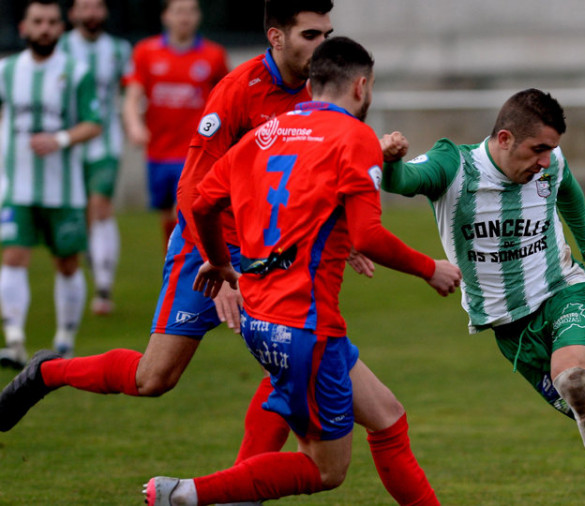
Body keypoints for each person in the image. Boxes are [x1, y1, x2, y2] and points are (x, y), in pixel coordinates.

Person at [0, 2, 443, 505]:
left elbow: (308, 182)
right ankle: (46, 372)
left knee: (293, 357)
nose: (322, 46)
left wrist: (346, 213)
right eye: (310, 34)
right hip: (207, 248)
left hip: (269, 255)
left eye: (328, 33)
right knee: (155, 377)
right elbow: (194, 192)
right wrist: (226, 270)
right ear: (276, 37)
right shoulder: (239, 90)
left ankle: (238, 488)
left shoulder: (322, 93)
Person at [142, 35, 461, 506]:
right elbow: (368, 236)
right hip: (305, 325)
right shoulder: (354, 137)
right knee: (324, 468)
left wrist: (221, 260)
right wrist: (428, 267)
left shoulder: (264, 135)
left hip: (264, 314)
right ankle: (185, 494)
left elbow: (203, 201)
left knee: (388, 416)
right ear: (362, 85)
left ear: (309, 86)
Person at [379, 89, 585, 505]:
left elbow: (568, 191)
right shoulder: (454, 166)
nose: (546, 160)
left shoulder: (550, 164)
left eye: (551, 150)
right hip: (512, 331)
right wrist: (391, 160)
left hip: (566, 294)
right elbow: (403, 182)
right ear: (504, 139)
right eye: (537, 149)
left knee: (572, 377)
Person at [0, 0, 102, 368]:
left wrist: (59, 139)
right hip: (16, 186)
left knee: (67, 264)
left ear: (61, 28)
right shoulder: (6, 70)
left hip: (65, 189)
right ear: (24, 28)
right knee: (13, 256)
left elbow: (94, 122)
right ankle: (14, 340)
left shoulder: (76, 72)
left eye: (52, 22)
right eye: (37, 21)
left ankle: (64, 340)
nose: (45, 28)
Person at [122, 0, 228, 245]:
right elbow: (132, 95)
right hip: (158, 151)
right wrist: (134, 124)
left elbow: (227, 97)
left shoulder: (213, 55)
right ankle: (173, 266)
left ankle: (189, 267)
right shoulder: (146, 52)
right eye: (179, 11)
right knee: (167, 217)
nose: (185, 17)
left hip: (197, 150)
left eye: (191, 11)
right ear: (165, 16)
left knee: (185, 211)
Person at [59, 0, 132, 315]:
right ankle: (92, 254)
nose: (91, 14)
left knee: (100, 205)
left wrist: (133, 122)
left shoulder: (119, 49)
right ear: (73, 12)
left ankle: (103, 288)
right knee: (79, 212)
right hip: (67, 142)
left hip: (106, 142)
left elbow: (131, 90)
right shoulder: (59, 46)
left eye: (97, 7)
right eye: (84, 7)